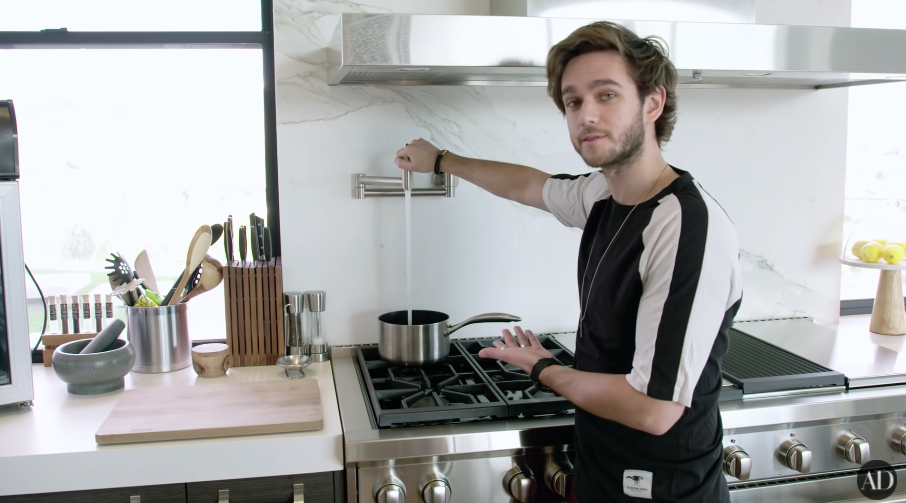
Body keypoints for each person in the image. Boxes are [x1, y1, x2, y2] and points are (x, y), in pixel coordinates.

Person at [394, 20, 742, 503]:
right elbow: (526, 185)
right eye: (573, 101)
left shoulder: (683, 226)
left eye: (606, 95)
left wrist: (541, 368)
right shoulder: (603, 192)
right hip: (601, 469)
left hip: (666, 488)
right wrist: (440, 160)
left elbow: (653, 410)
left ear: (652, 103)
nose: (586, 115)